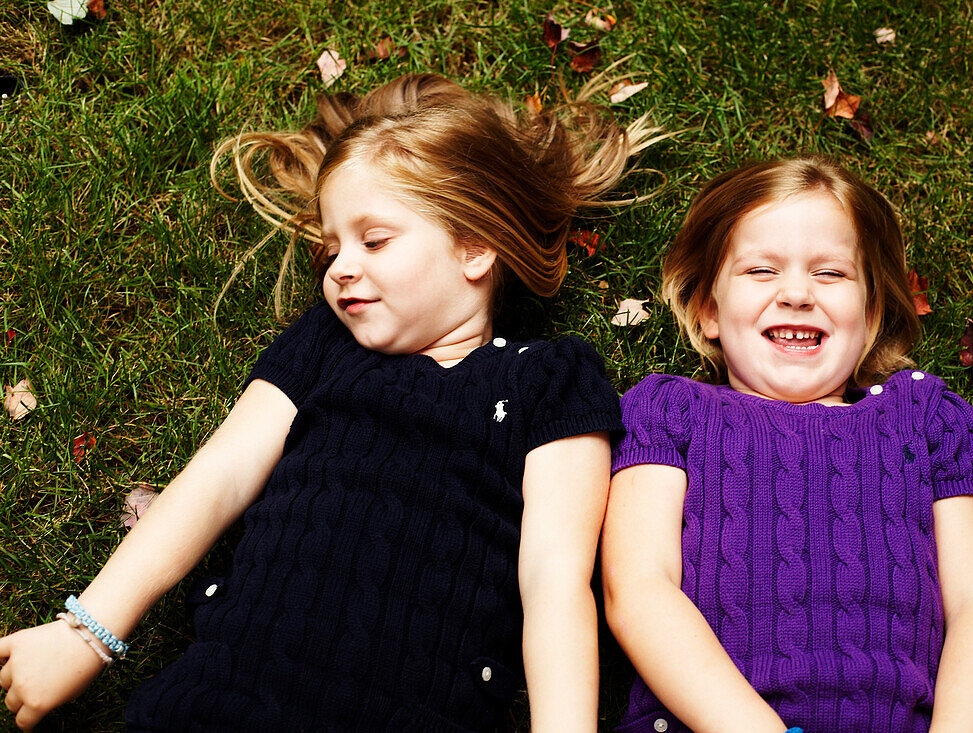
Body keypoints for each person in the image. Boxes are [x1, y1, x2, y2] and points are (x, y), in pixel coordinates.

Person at [0, 73, 663, 732]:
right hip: (217, 703)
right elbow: (216, 478)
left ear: (474, 245)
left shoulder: (547, 380)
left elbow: (554, 582)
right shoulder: (325, 345)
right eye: (331, 246)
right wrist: (86, 631)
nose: (340, 265)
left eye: (374, 240)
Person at [600, 157, 973, 733]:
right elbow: (639, 588)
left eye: (830, 274)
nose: (796, 293)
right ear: (708, 310)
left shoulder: (924, 418)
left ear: (870, 314)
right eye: (760, 271)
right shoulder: (670, 411)